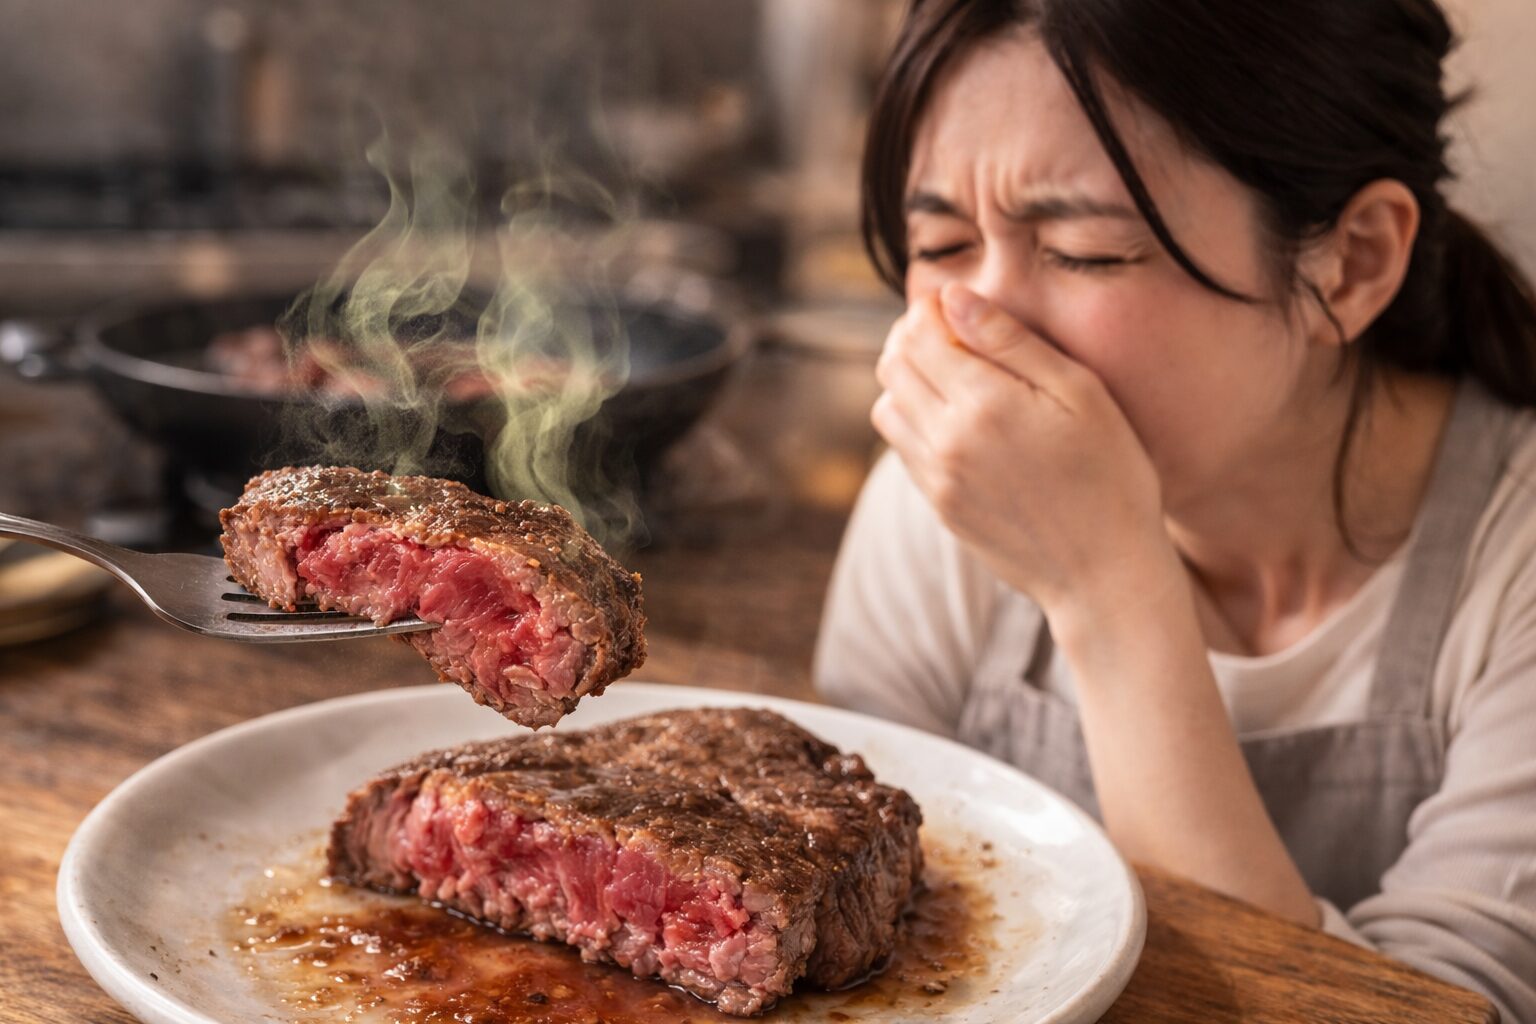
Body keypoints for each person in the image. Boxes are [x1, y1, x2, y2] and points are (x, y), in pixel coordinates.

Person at [813, 1, 1536, 1019]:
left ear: (1354, 262)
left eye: (1085, 251)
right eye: (942, 240)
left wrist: (1107, 589)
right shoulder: (941, 501)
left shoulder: (1511, 563)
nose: (975, 333)